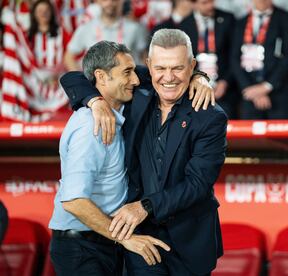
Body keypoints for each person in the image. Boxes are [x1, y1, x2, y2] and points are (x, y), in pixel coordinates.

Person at [60, 29, 227, 275]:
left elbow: (197, 184)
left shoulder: (211, 117)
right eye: (160, 68)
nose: (168, 77)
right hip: (139, 238)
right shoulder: (137, 87)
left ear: (192, 65)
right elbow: (74, 77)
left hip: (190, 243)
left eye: (178, 68)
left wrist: (144, 207)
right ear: (148, 66)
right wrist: (94, 101)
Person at [49, 41, 171, 276]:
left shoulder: (117, 111)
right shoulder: (90, 127)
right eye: (127, 72)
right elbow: (74, 200)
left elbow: (162, 73)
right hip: (82, 248)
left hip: (101, 241)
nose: (135, 80)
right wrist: (125, 238)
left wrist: (200, 78)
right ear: (101, 77)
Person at [231, 0, 288, 119]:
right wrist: (251, 89)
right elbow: (234, 58)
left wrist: (266, 86)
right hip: (250, 94)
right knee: (249, 136)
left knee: (281, 136)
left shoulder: (286, 18)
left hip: (279, 93)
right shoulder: (241, 22)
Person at [179, 0, 238, 118]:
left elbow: (234, 55)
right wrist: (197, 82)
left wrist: (225, 81)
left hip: (225, 90)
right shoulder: (185, 25)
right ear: (194, 4)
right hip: (197, 90)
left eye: (212, 1)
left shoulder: (228, 19)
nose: (210, 6)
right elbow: (184, 61)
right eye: (204, 3)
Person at [64, 0, 148, 70]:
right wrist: (81, 83)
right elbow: (68, 57)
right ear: (97, 1)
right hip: (96, 87)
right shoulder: (86, 28)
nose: (110, 2)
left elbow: (144, 57)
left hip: (128, 86)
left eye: (114, 0)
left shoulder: (135, 28)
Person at [27, 0, 71, 113]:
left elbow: (69, 55)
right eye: (40, 11)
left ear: (52, 13)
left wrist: (56, 75)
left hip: (58, 79)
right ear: (34, 14)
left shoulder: (61, 32)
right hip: (36, 79)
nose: (43, 14)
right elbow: (26, 60)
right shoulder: (28, 36)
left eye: (47, 11)